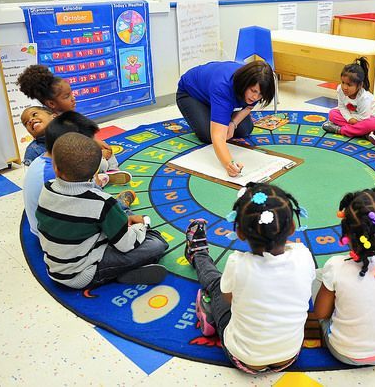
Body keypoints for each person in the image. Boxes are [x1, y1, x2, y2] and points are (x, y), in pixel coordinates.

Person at [184, 183, 315, 374]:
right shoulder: (304, 255)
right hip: (290, 356)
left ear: (240, 233)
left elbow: (228, 298)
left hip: (244, 359)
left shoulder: (237, 263)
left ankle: (198, 254)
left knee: (215, 285)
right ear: (293, 227)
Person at [36, 132, 168, 289]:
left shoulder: (47, 188)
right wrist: (142, 225)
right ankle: (118, 272)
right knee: (156, 243)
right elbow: (126, 245)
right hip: (83, 274)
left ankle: (120, 211)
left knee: (104, 212)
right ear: (95, 173)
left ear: (56, 169)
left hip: (55, 268)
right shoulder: (102, 203)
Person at [312, 188, 375, 366]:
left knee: (319, 277)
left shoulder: (336, 265)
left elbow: (321, 313)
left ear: (346, 232)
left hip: (342, 351)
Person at [17, 65, 124, 176]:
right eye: (67, 96)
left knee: (106, 151)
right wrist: (97, 155)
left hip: (81, 160)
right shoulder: (56, 129)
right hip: (69, 170)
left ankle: (112, 172)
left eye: (71, 94)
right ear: (51, 104)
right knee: (99, 164)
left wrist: (96, 144)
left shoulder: (70, 119)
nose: (73, 98)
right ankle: (100, 176)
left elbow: (85, 138)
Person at [176, 61, 275, 177]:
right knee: (208, 135)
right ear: (245, 83)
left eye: (260, 95)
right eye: (253, 91)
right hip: (192, 94)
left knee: (245, 129)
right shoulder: (223, 87)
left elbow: (248, 108)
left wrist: (233, 123)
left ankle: (221, 115)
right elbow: (217, 136)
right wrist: (229, 164)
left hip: (215, 95)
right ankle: (217, 114)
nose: (255, 97)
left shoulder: (259, 86)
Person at [321, 57, 375, 137]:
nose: (344, 87)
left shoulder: (364, 98)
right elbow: (342, 107)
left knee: (372, 124)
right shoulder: (340, 89)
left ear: (360, 85)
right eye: (343, 82)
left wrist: (353, 120)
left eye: (349, 85)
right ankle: (362, 132)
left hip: (368, 119)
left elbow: (364, 118)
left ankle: (340, 130)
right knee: (332, 114)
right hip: (352, 117)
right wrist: (349, 119)